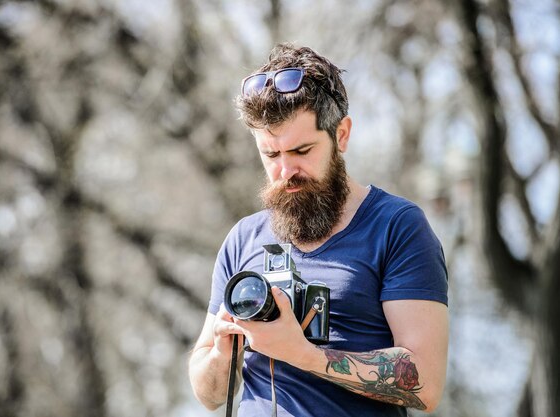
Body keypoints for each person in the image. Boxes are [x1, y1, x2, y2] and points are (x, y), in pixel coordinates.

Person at [188, 43, 448, 417]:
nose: (285, 171)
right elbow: (208, 394)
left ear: (341, 135)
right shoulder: (242, 238)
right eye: (272, 155)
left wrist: (303, 354)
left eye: (302, 150)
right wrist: (221, 354)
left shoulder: (397, 227)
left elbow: (426, 382)